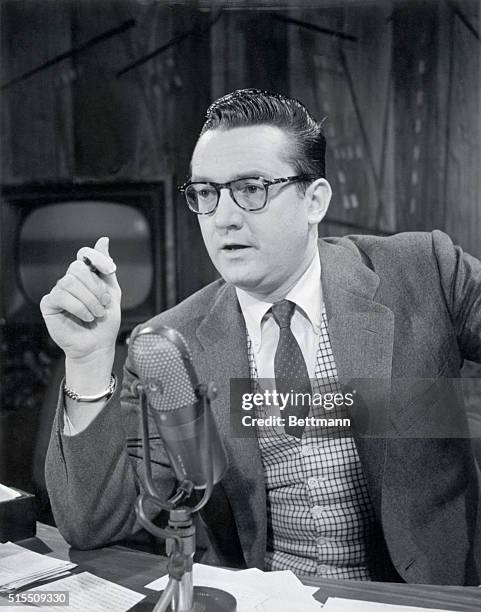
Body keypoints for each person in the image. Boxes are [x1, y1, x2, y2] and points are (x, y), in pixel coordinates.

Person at [41, 89, 481, 585]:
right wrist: (88, 357)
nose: (224, 216)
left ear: (314, 200)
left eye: (251, 188)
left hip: (421, 598)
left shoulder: (424, 271)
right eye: (206, 193)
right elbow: (92, 524)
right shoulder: (173, 343)